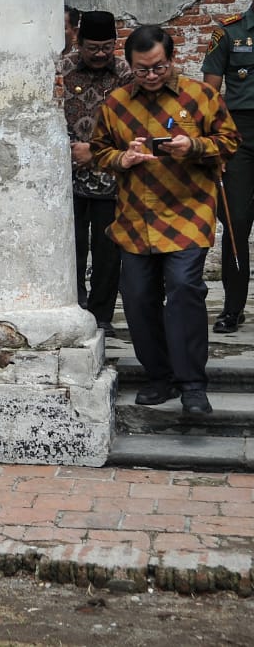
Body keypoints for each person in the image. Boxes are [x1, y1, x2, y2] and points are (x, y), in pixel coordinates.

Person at [89, 25, 239, 416]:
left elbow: (230, 142)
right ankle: (160, 377)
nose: (151, 76)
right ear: (130, 65)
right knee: (138, 299)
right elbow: (99, 151)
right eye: (142, 70)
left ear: (171, 59)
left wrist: (194, 146)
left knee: (185, 290)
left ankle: (192, 385)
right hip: (135, 218)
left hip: (188, 212)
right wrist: (123, 158)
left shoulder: (201, 96)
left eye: (158, 67)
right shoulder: (116, 103)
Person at [59, 10, 133, 336]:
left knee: (107, 251)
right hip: (67, 178)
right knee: (70, 246)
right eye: (93, 47)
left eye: (107, 46)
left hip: (110, 178)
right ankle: (73, 308)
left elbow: (135, 122)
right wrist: (68, 149)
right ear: (78, 41)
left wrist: (95, 151)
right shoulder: (62, 72)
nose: (101, 53)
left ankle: (102, 315)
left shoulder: (127, 76)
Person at [202, 0, 254, 333]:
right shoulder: (229, 32)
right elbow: (209, 94)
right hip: (242, 135)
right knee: (234, 224)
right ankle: (232, 309)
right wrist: (215, 143)